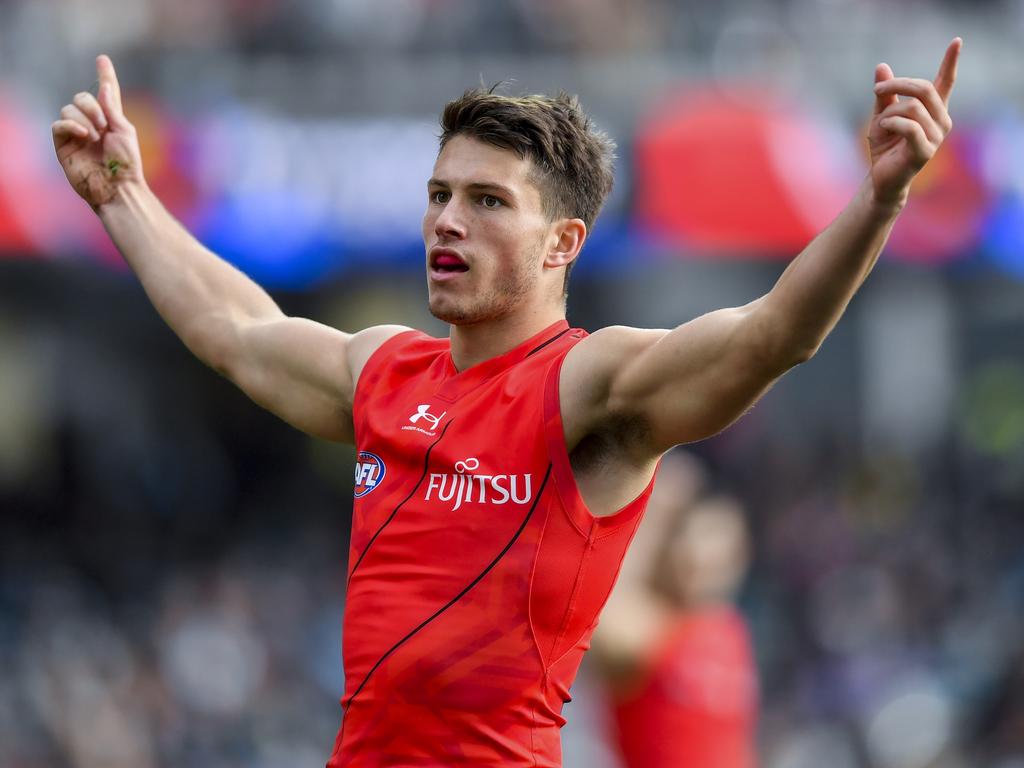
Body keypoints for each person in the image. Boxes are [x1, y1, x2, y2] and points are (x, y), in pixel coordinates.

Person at [51, 40, 961, 767]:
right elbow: (237, 331)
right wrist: (124, 196)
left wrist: (880, 202)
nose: (448, 219)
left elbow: (771, 337)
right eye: (440, 194)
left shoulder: (591, 389)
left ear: (564, 242)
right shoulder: (383, 372)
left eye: (487, 201)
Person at [591, 451, 758, 768]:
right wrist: (653, 508)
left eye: (728, 554)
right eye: (698, 555)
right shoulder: (649, 630)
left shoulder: (728, 628)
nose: (713, 566)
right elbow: (599, 605)